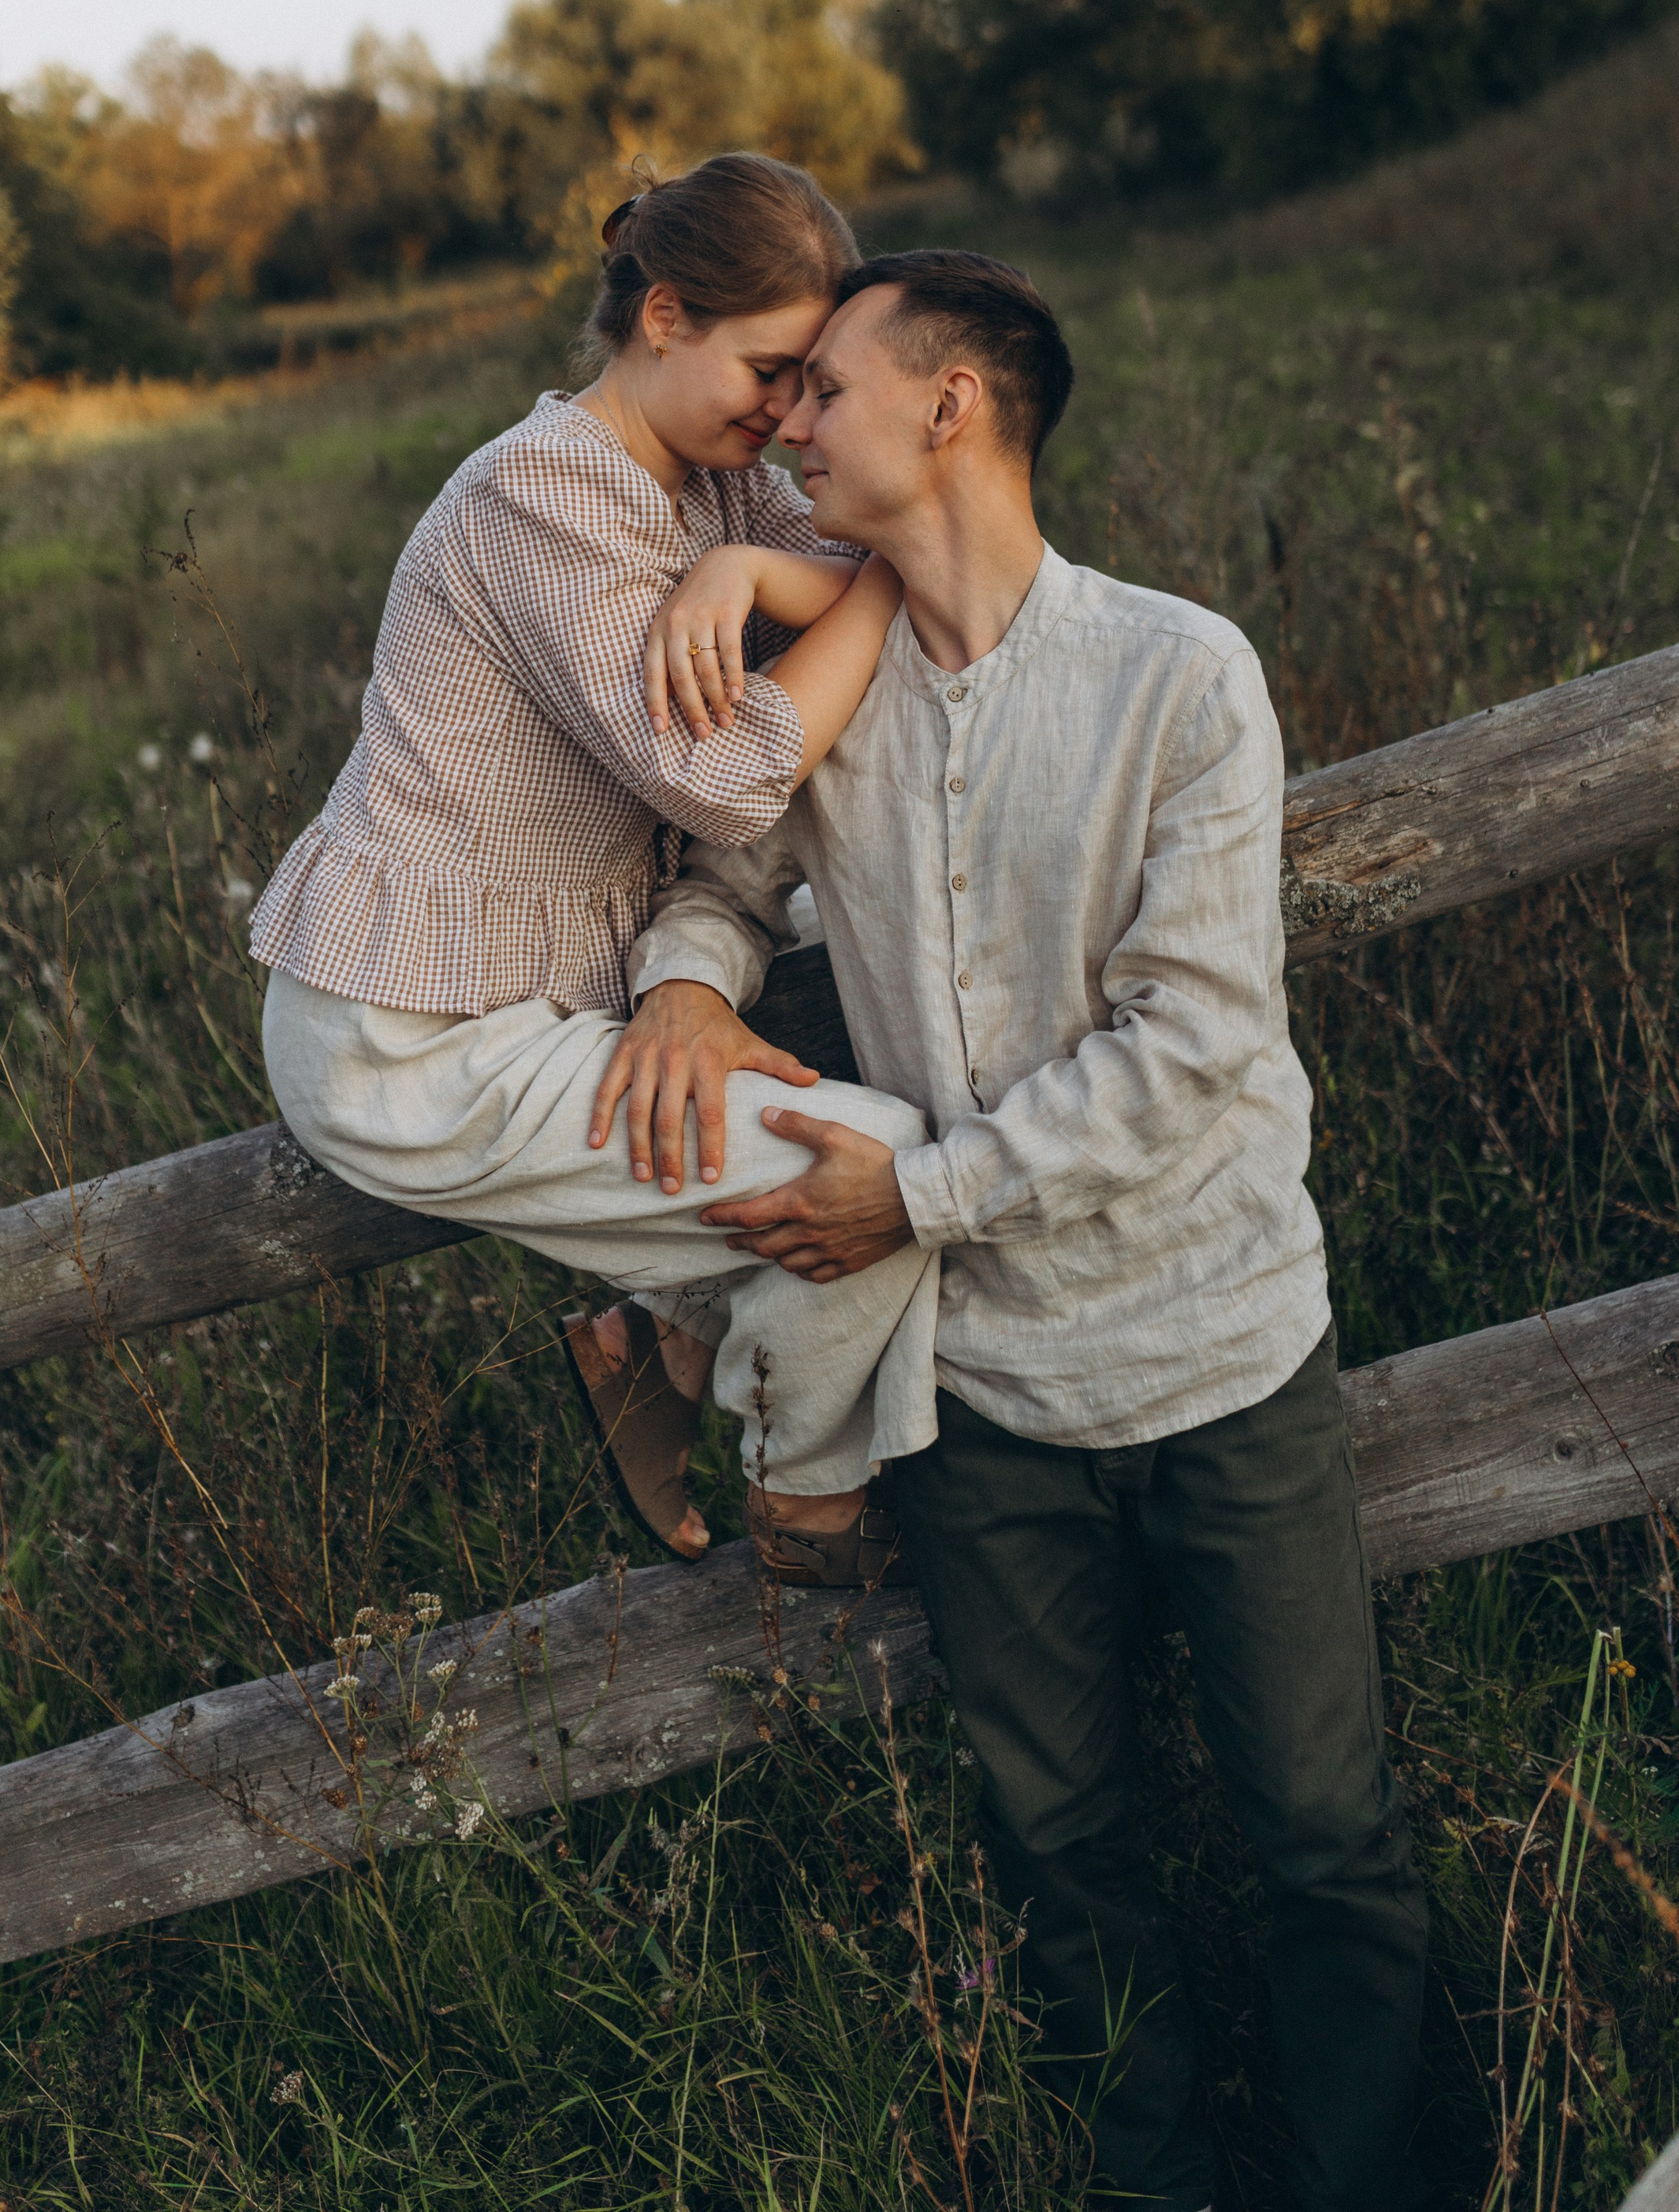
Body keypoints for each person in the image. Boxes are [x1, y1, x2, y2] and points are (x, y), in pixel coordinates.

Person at [597, 250, 1429, 2212]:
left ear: (948, 406)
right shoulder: (841, 687)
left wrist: (921, 1190)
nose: (785, 421)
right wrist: (685, 985)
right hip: (974, 1395)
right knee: (1060, 1853)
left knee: (1321, 1830)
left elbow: (1197, 1043)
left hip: (1219, 1353)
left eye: (825, 392)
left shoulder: (1177, 673)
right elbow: (724, 866)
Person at [250, 154, 939, 1587]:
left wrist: (778, 573)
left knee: (844, 1161)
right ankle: (803, 1492)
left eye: (812, 380)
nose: (790, 411)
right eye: (769, 368)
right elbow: (731, 769)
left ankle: (654, 1344)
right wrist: (863, 587)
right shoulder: (541, 497)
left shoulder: (717, 487)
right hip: (406, 1041)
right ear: (667, 315)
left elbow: (899, 552)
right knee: (880, 1172)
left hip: (530, 1009)